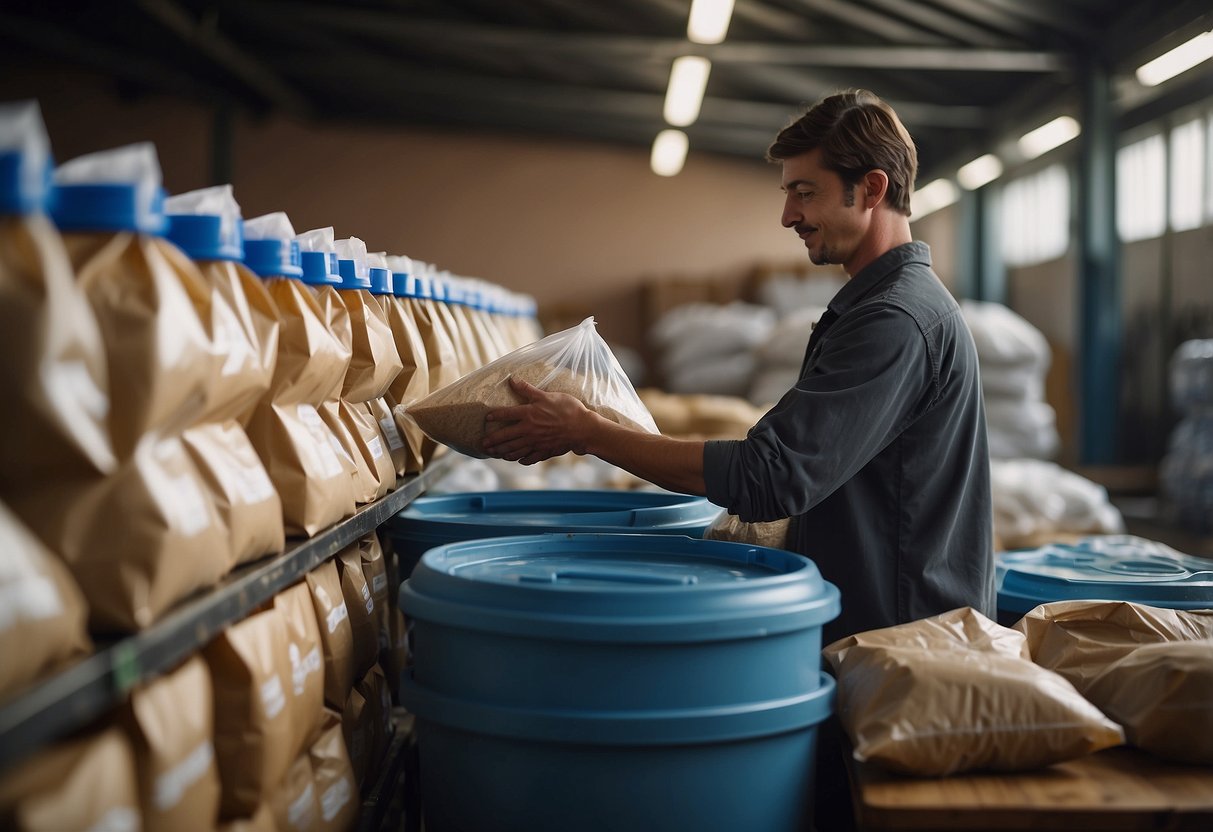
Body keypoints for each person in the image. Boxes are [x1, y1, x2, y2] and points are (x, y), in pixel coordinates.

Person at [482, 89, 994, 827]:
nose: (788, 216)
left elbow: (769, 475)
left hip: (896, 643)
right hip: (874, 630)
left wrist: (587, 430)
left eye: (804, 192)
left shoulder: (894, 322)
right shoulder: (874, 306)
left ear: (872, 188)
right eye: (788, 194)